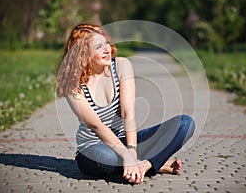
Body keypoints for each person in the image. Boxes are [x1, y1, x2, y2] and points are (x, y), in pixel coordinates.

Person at [56, 23, 195, 184]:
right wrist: (127, 156)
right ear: (83, 53)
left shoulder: (122, 65)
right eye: (99, 46)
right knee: (107, 157)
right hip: (93, 149)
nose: (107, 49)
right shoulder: (73, 84)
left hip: (125, 140)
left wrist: (131, 152)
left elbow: (128, 112)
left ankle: (145, 165)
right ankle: (157, 163)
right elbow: (96, 126)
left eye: (106, 43)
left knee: (185, 124)